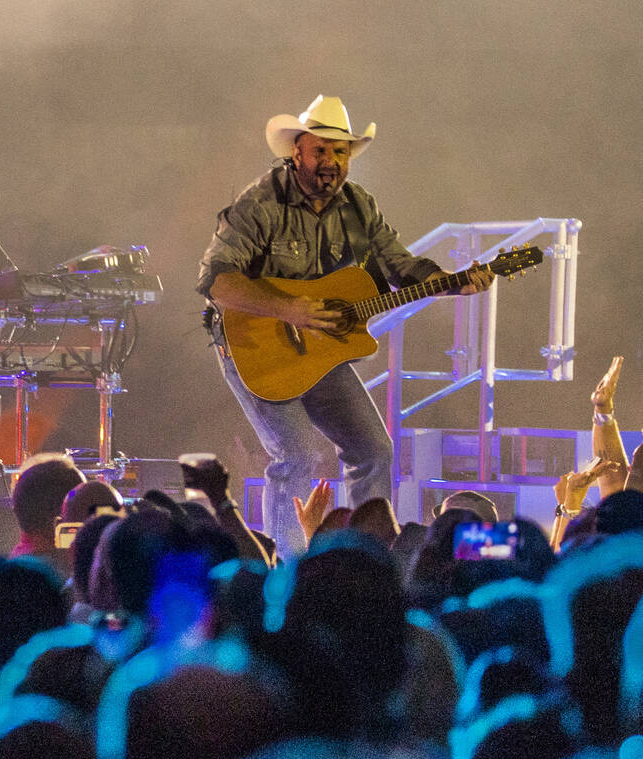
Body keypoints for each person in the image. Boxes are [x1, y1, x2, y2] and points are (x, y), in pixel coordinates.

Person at [197, 95, 491, 556]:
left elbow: (399, 264)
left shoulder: (359, 206)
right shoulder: (260, 202)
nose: (330, 162)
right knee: (295, 455)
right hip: (251, 343)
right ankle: (288, 573)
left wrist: (454, 283)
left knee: (374, 449)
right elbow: (217, 282)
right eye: (321, 151)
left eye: (340, 152)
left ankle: (368, 561)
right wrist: (289, 310)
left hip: (320, 348)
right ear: (297, 152)